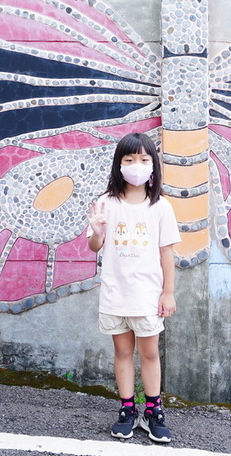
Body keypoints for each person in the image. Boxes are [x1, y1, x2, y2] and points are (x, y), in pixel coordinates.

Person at [87, 132, 180, 443]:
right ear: (119, 165)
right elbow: (94, 246)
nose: (136, 166)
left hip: (147, 296)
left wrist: (168, 292)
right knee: (122, 352)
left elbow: (167, 253)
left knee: (150, 353)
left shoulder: (161, 207)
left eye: (143, 159)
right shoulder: (106, 203)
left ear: (153, 165)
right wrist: (97, 232)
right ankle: (128, 409)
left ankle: (153, 411)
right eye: (129, 160)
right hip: (115, 293)